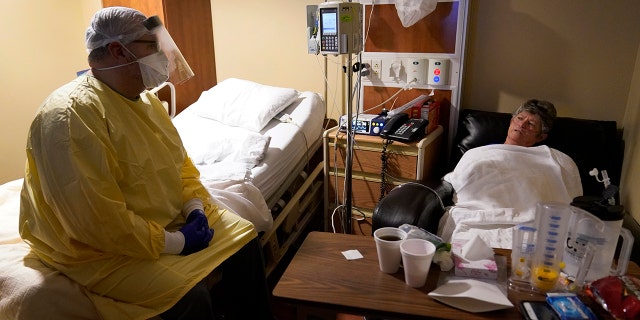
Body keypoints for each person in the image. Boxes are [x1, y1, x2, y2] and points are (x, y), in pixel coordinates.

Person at [19, 7, 272, 320]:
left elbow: (179, 164)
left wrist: (194, 206)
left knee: (245, 240)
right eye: (152, 45)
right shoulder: (71, 117)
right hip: (97, 251)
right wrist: (176, 241)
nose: (163, 55)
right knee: (190, 298)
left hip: (153, 223)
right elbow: (96, 220)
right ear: (118, 50)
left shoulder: (147, 100)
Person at [437, 99, 583, 248]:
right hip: (480, 215)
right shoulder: (483, 153)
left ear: (540, 137)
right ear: (512, 120)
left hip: (532, 224)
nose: (522, 124)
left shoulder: (551, 160)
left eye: (531, 124)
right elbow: (461, 179)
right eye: (520, 118)